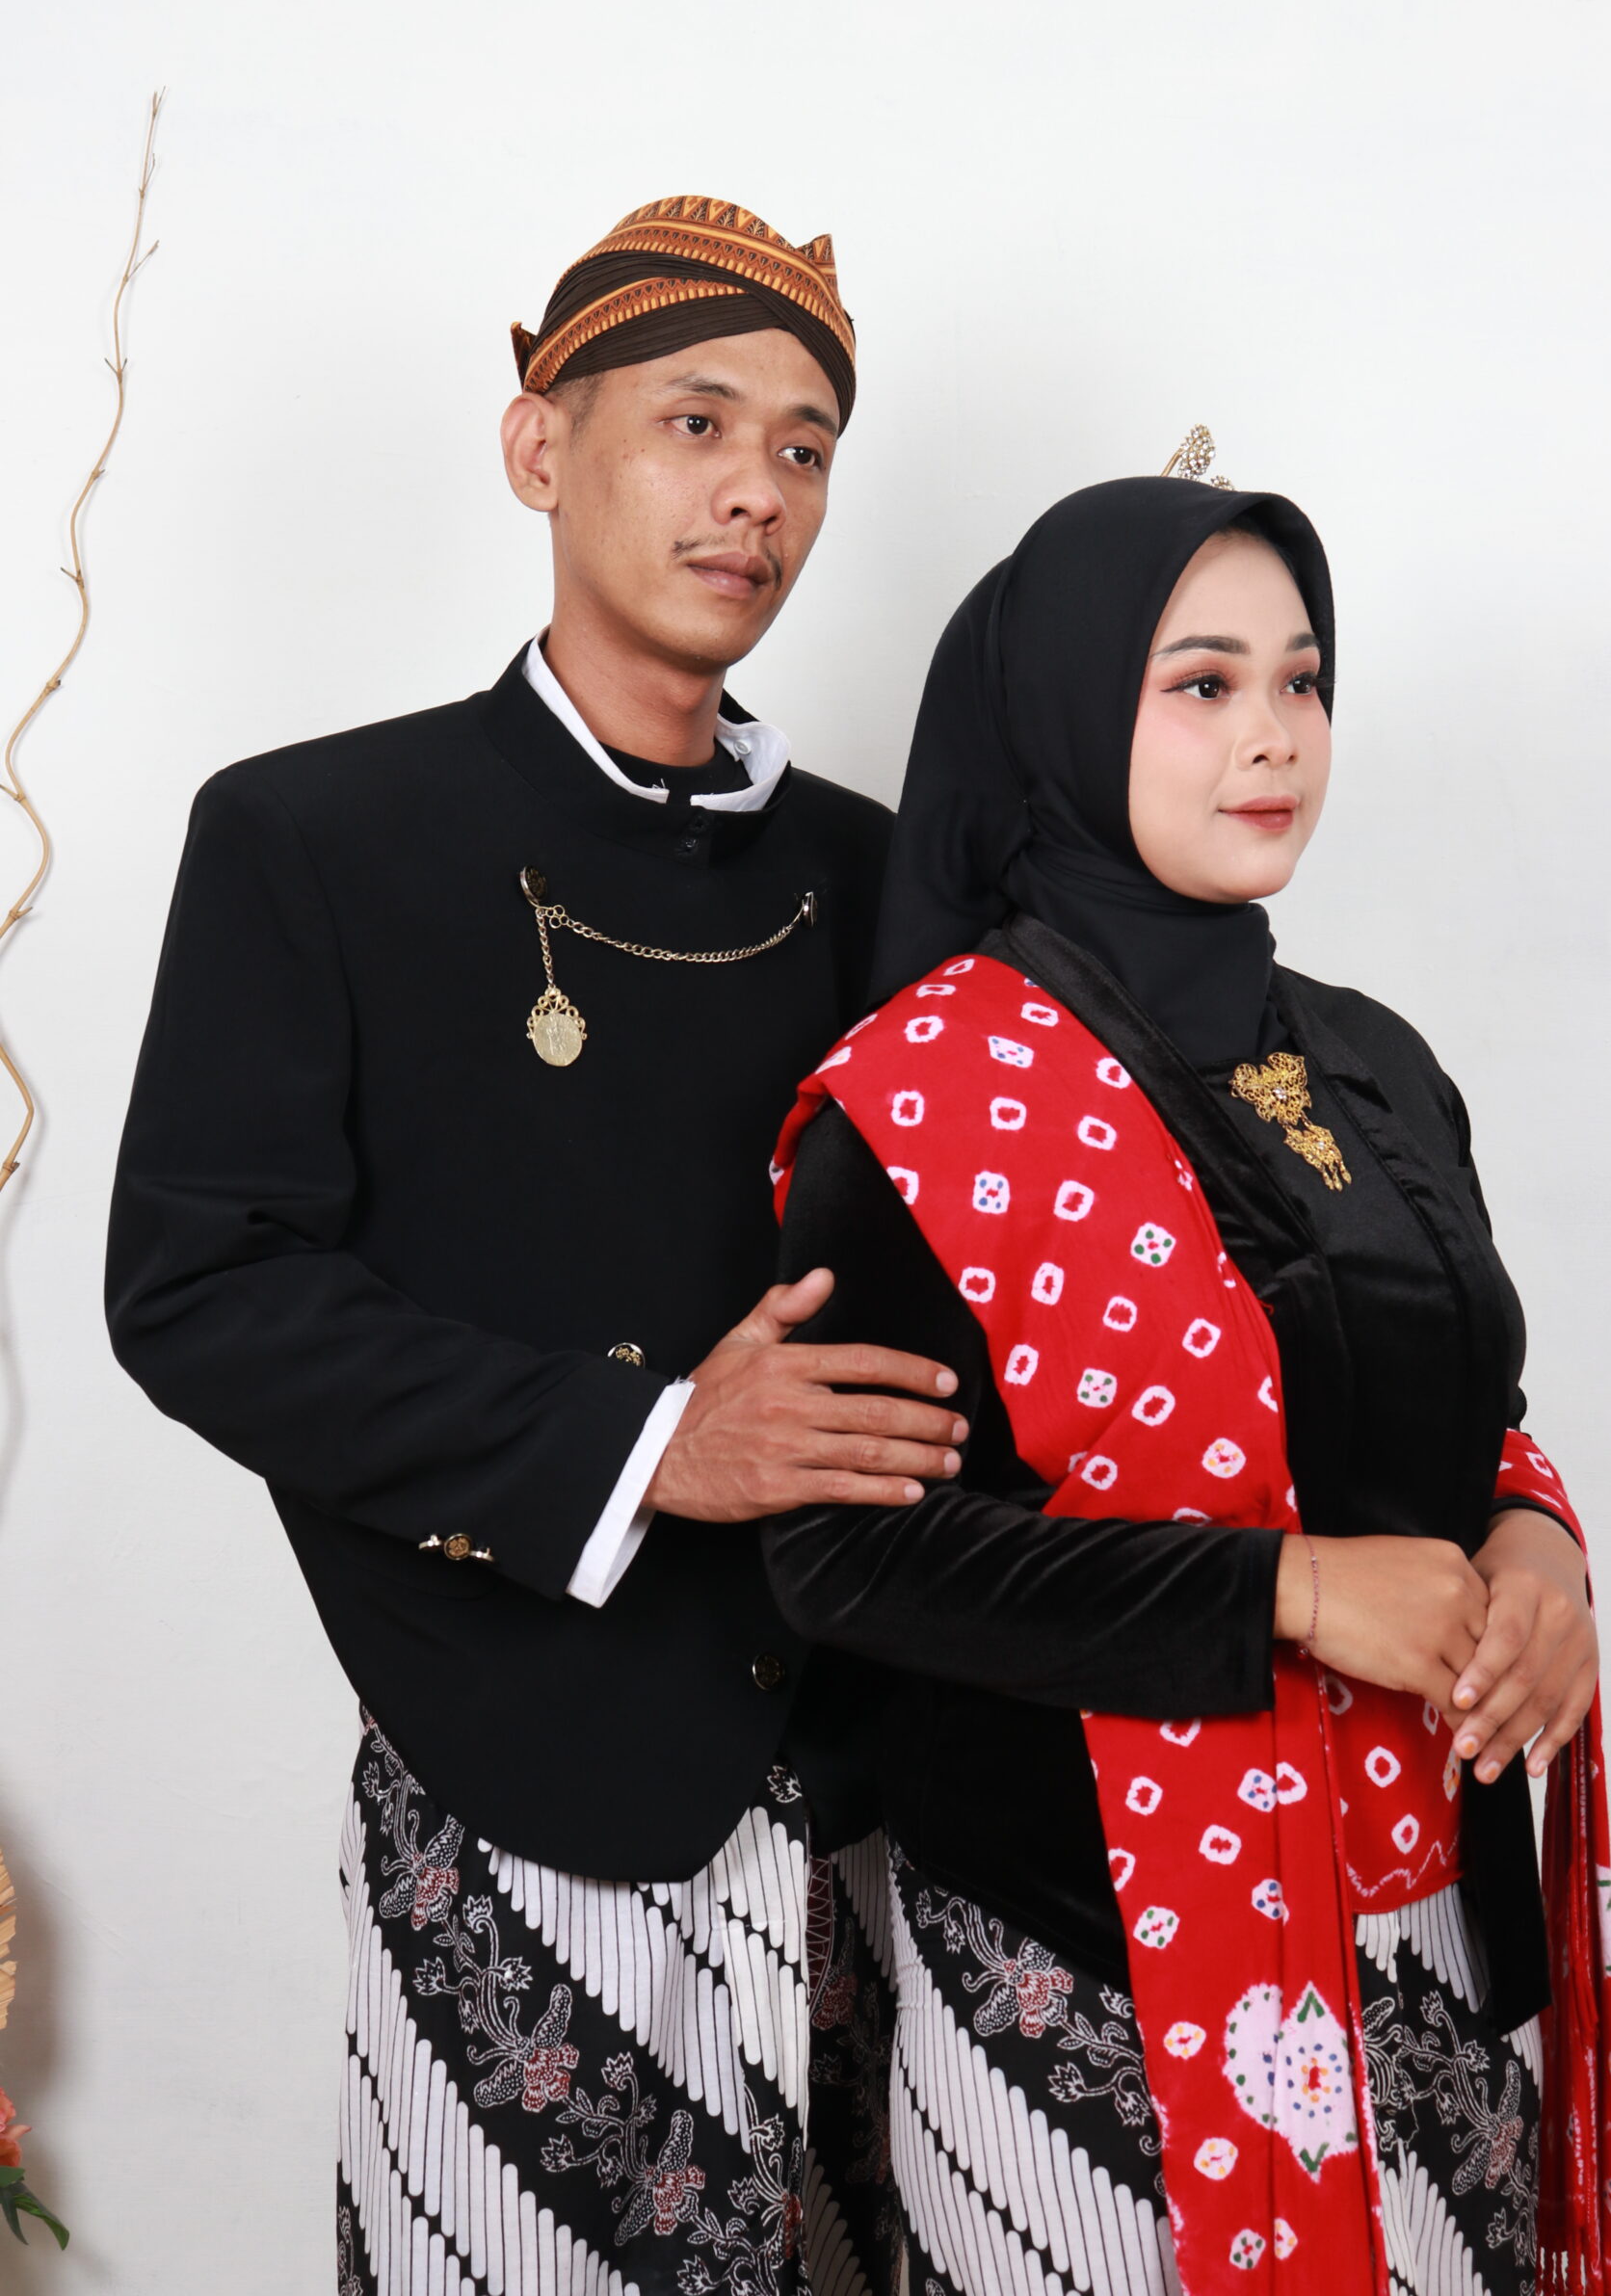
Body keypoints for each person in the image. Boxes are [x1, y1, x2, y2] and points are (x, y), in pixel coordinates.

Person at [106, 197, 969, 2296]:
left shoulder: (890, 879)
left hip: (884, 1794)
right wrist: (649, 1444)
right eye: (697, 422)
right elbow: (202, 1290)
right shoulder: (313, 835)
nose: (757, 492)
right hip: (523, 1786)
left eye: (804, 448)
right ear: (537, 447)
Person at [760, 461, 1611, 2296]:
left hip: (1424, 1936)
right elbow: (854, 1558)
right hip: (1095, 1976)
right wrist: (1288, 1593)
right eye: (1204, 683)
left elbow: (1465, 1419)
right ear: (1071, 715)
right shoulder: (925, 1100)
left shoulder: (1377, 1063)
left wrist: (1539, 1552)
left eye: (1302, 680)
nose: (1274, 736)